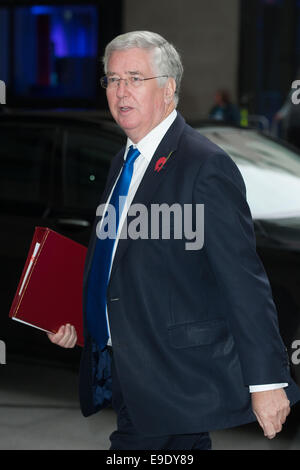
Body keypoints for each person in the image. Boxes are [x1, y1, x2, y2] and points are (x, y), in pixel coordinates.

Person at [47, 31, 300, 450]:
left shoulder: (205, 165)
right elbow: (120, 259)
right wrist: (84, 321)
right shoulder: (123, 159)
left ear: (168, 89)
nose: (120, 90)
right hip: (124, 370)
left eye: (134, 78)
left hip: (172, 379)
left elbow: (243, 281)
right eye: (112, 79)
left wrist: (268, 380)